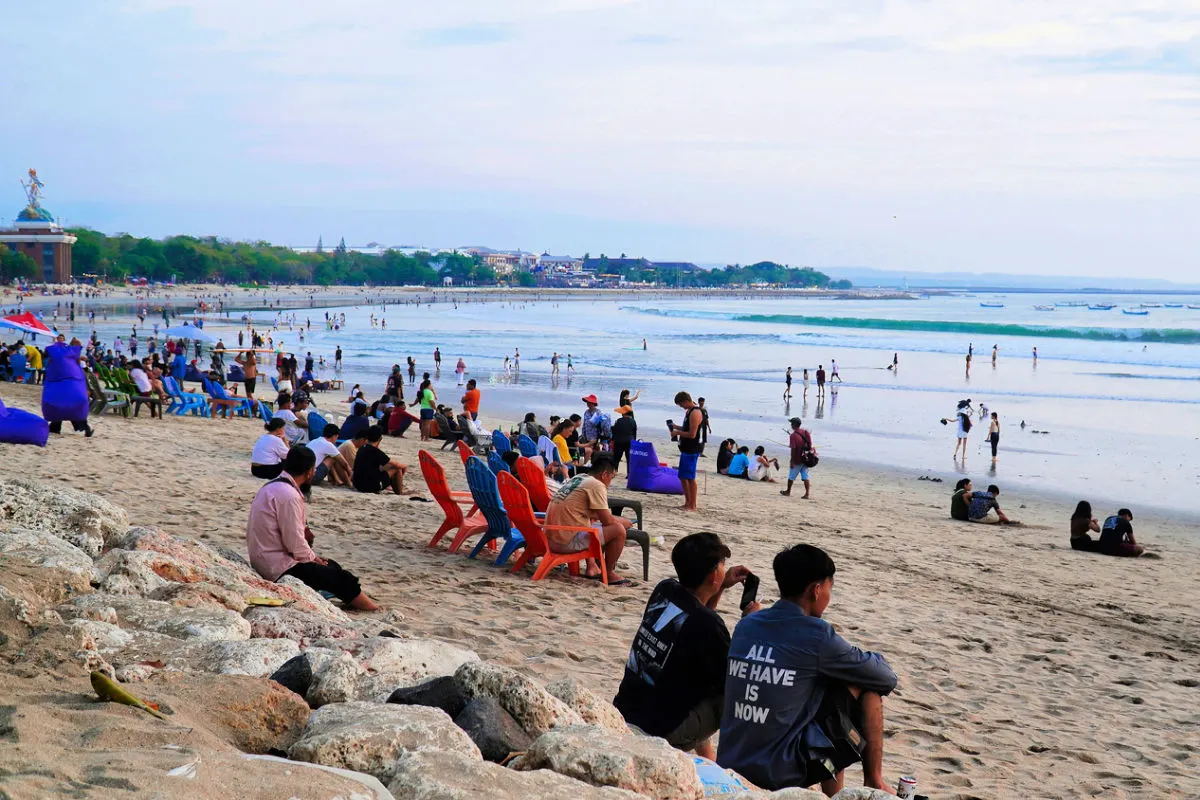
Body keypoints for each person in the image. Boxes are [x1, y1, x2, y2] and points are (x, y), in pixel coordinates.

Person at [718, 544, 896, 796]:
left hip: (731, 760)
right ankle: (874, 781)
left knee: (822, 684)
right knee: (864, 688)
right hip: (778, 772)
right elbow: (886, 678)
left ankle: (835, 793)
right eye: (829, 589)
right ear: (816, 589)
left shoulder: (747, 624)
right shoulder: (817, 635)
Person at [613, 532, 759, 760]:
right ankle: (713, 762)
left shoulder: (665, 589)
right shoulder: (708, 625)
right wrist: (750, 625)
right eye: (722, 566)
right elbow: (734, 678)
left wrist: (720, 586)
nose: (724, 569)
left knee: (696, 672)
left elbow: (698, 616)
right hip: (660, 728)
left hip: (627, 706)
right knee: (727, 694)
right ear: (712, 575)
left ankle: (708, 757)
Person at [246, 445, 378, 610]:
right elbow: (293, 542)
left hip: (264, 559)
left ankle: (327, 593)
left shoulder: (272, 486)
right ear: (309, 472)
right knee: (343, 578)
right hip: (277, 567)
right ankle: (373, 609)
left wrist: (314, 558)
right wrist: (312, 558)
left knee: (332, 566)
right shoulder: (289, 495)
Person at [545, 452, 631, 584]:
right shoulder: (597, 485)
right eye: (611, 478)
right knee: (618, 530)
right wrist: (626, 522)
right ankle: (608, 573)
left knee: (593, 522)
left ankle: (593, 567)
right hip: (564, 542)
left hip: (549, 537)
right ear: (604, 475)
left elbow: (593, 514)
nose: (610, 482)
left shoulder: (579, 478)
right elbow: (608, 521)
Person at [668, 391, 703, 511]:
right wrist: (676, 427)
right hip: (686, 448)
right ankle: (687, 502)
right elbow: (688, 428)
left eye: (681, 404)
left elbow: (692, 434)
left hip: (692, 449)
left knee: (690, 477)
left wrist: (677, 433)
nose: (681, 407)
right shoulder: (689, 412)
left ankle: (692, 505)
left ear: (686, 401)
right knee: (683, 476)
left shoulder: (695, 412)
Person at [351, 426, 408, 495]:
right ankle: (400, 493)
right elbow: (397, 465)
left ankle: (395, 488)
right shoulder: (375, 452)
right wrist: (405, 466)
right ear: (380, 438)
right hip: (369, 487)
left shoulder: (361, 448)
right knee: (397, 469)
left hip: (357, 484)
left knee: (388, 466)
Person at [781, 417, 815, 499]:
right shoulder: (806, 432)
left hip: (797, 459)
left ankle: (788, 491)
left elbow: (793, 449)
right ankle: (807, 494)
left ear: (794, 425)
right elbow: (810, 444)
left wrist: (792, 461)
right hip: (806, 458)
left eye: (791, 423)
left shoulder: (793, 436)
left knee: (791, 476)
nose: (791, 425)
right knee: (805, 476)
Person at [611, 405, 637, 474]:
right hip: (629, 441)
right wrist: (634, 442)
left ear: (623, 413)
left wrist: (612, 440)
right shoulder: (633, 421)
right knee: (629, 459)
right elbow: (634, 433)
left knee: (616, 457)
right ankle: (629, 473)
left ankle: (614, 470)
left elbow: (615, 431)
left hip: (619, 441)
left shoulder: (619, 421)